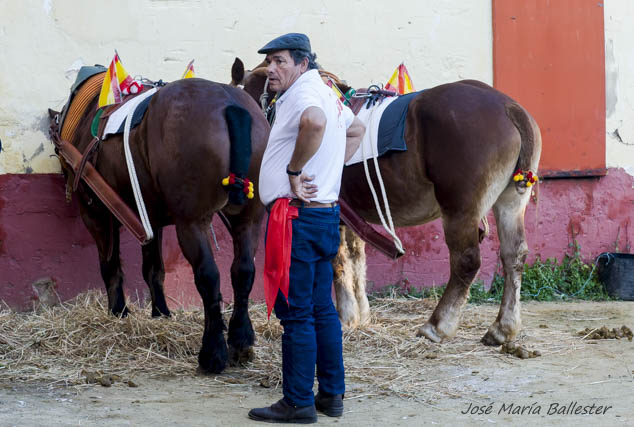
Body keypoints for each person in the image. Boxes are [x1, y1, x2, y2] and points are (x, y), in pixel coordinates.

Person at [248, 33, 365, 424]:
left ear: (302, 63)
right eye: (269, 62)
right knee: (321, 309)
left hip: (295, 218)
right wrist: (330, 171)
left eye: (280, 61)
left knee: (296, 313)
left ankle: (297, 402)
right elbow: (356, 130)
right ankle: (331, 395)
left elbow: (313, 123)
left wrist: (295, 171)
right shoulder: (328, 92)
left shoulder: (303, 94)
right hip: (323, 215)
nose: (271, 69)